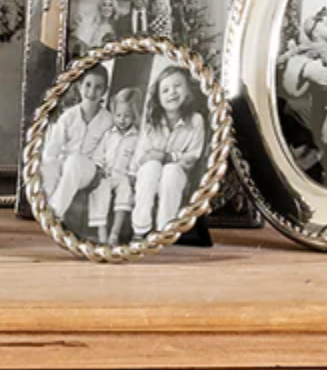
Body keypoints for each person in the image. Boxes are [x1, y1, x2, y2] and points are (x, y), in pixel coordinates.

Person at [131, 63, 211, 234]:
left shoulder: (195, 120)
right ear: (158, 98)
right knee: (152, 167)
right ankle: (140, 227)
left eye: (177, 86)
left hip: (177, 176)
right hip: (149, 174)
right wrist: (160, 158)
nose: (172, 93)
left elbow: (191, 158)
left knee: (171, 171)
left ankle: (165, 229)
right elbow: (143, 157)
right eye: (165, 90)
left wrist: (166, 157)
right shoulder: (152, 123)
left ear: (188, 91)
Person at [41, 63, 114, 225]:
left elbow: (107, 150)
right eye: (88, 85)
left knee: (74, 160)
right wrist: (51, 163)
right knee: (49, 163)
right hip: (65, 166)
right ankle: (44, 207)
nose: (91, 92)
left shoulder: (108, 120)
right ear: (80, 86)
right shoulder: (68, 116)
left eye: (98, 87)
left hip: (87, 170)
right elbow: (52, 149)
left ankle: (55, 213)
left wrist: (101, 169)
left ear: (104, 91)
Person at [88, 84, 143, 245]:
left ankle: (115, 232)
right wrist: (98, 168)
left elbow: (138, 158)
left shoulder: (137, 138)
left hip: (124, 175)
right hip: (107, 173)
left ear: (134, 116)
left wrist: (132, 174)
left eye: (127, 116)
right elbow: (99, 154)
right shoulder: (108, 135)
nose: (122, 120)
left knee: (125, 191)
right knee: (100, 190)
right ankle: (102, 231)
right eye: (118, 115)